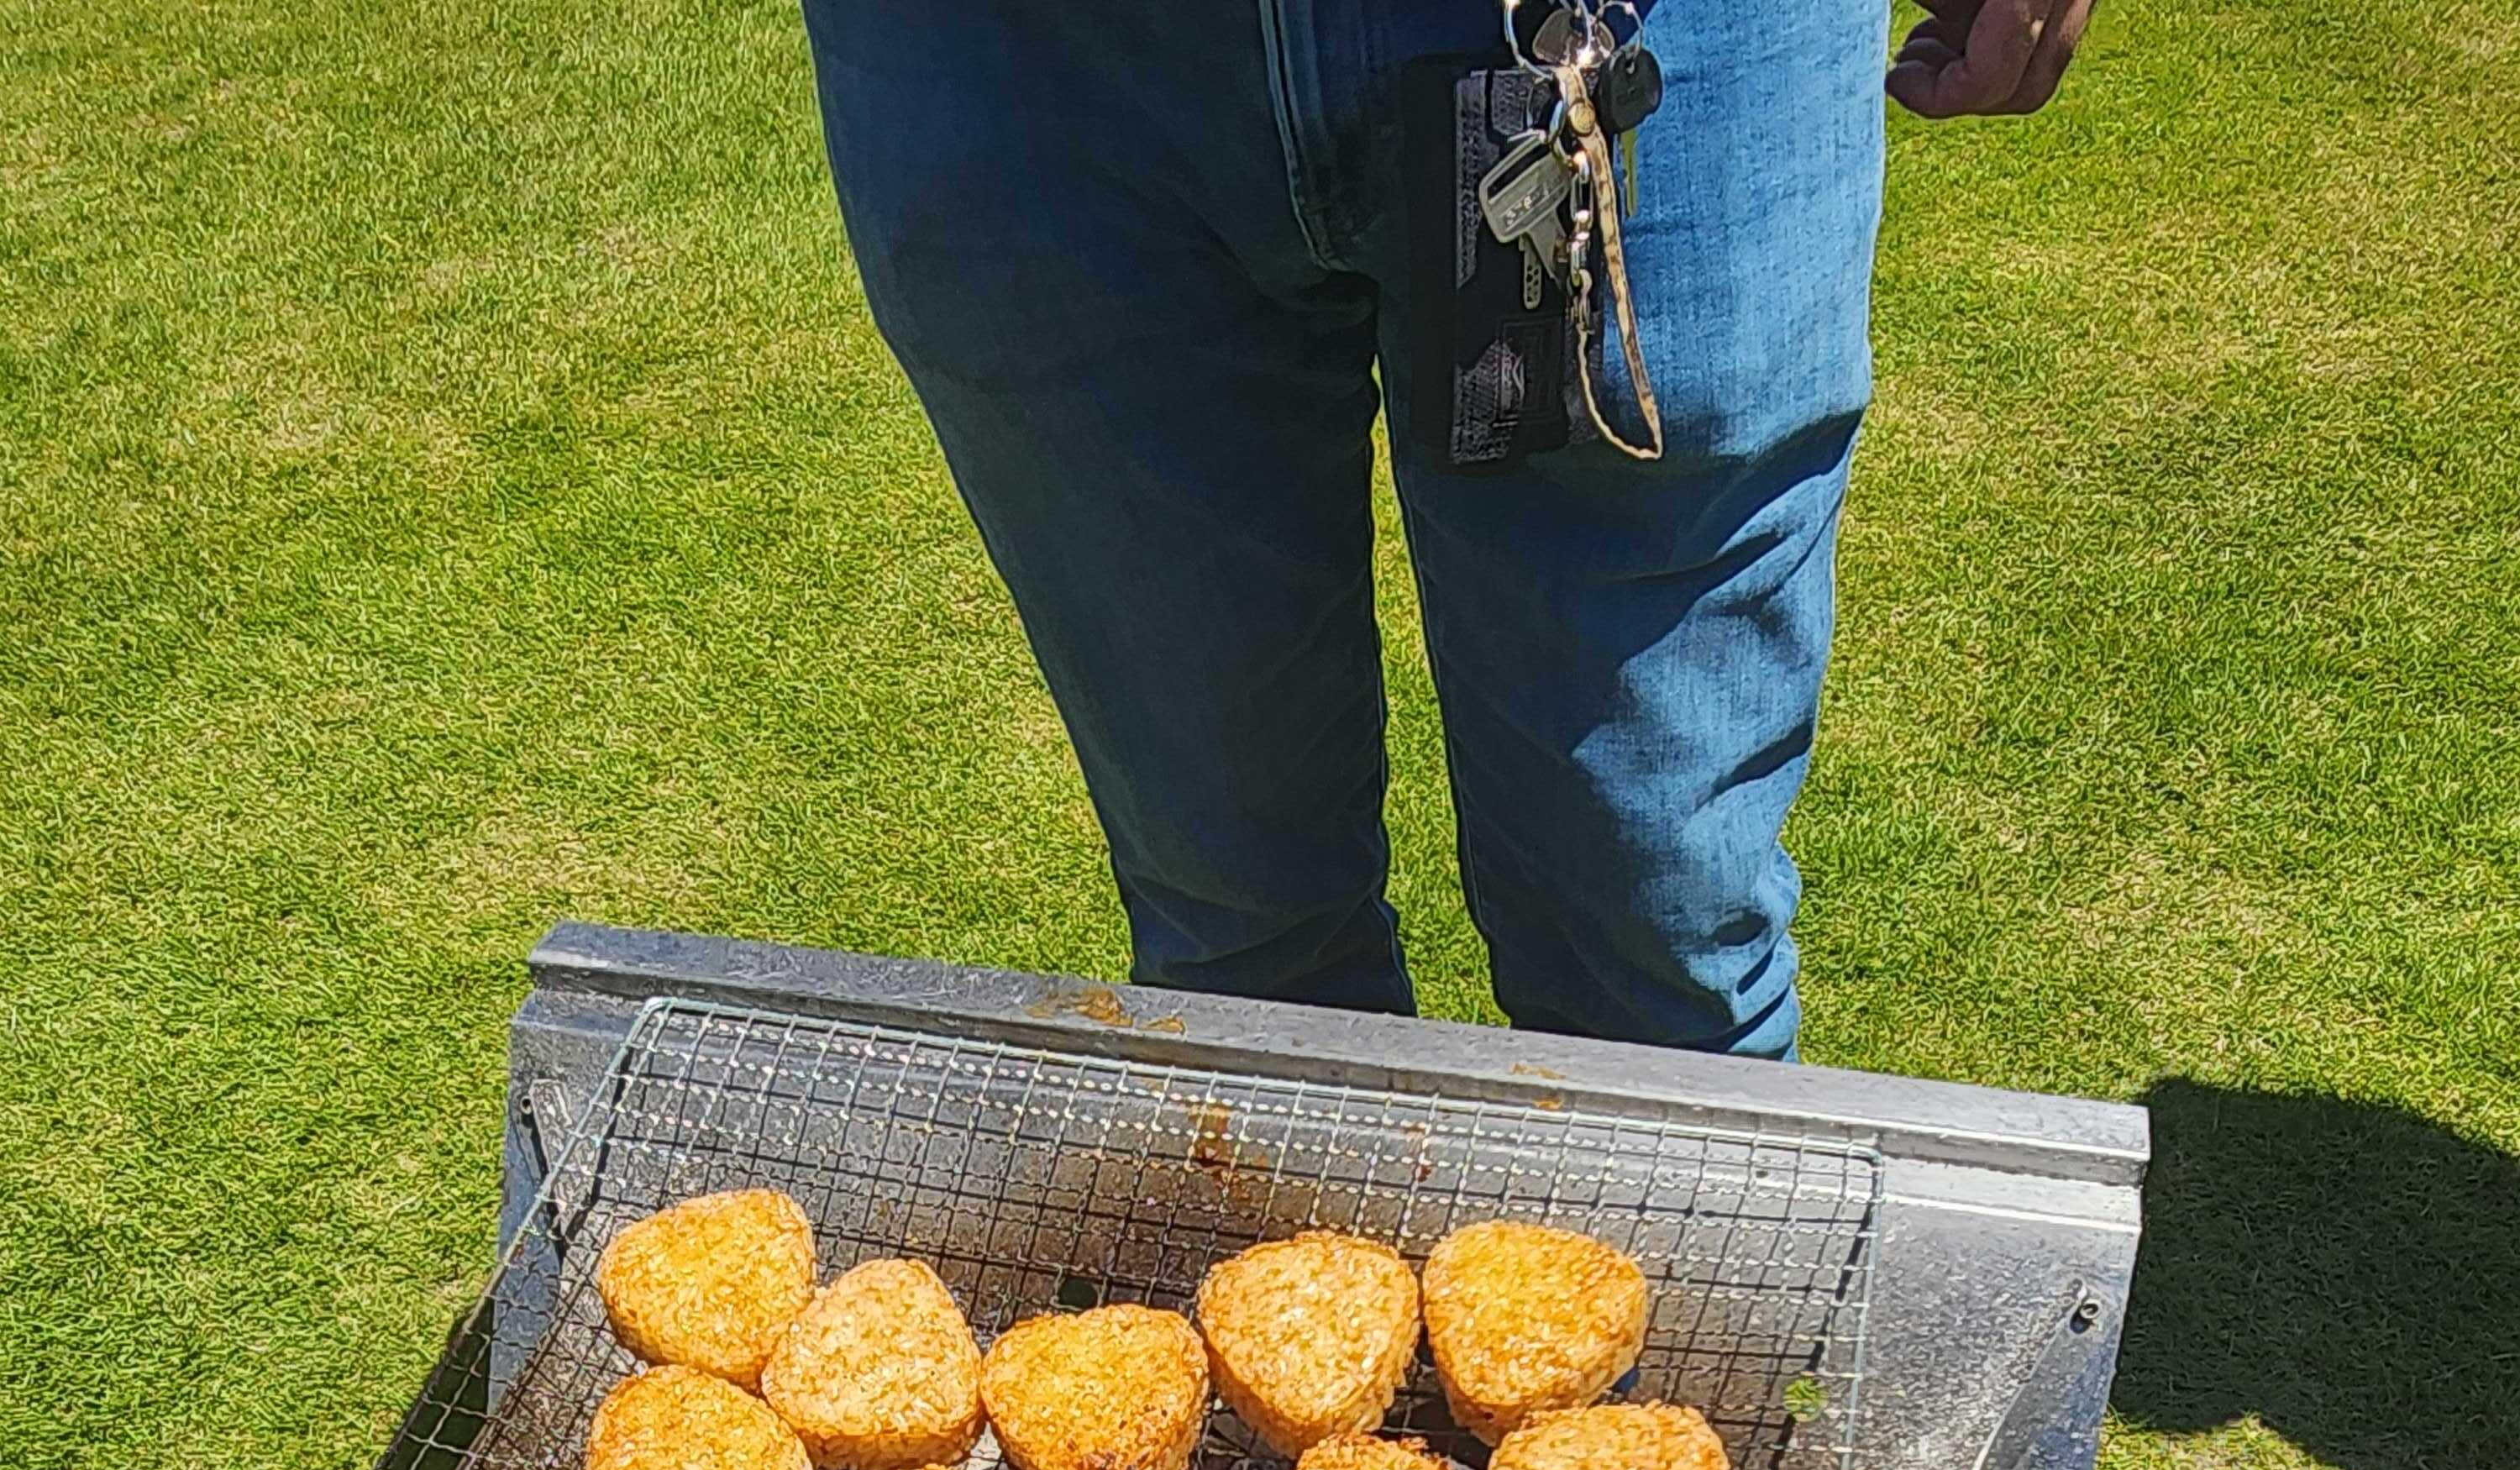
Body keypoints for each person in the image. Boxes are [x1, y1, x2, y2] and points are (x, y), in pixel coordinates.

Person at [797, 1, 2092, 1059]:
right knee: (1245, 969)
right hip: (1015, 57)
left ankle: (1652, 1367)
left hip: (1646, 38)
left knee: (1653, 972)